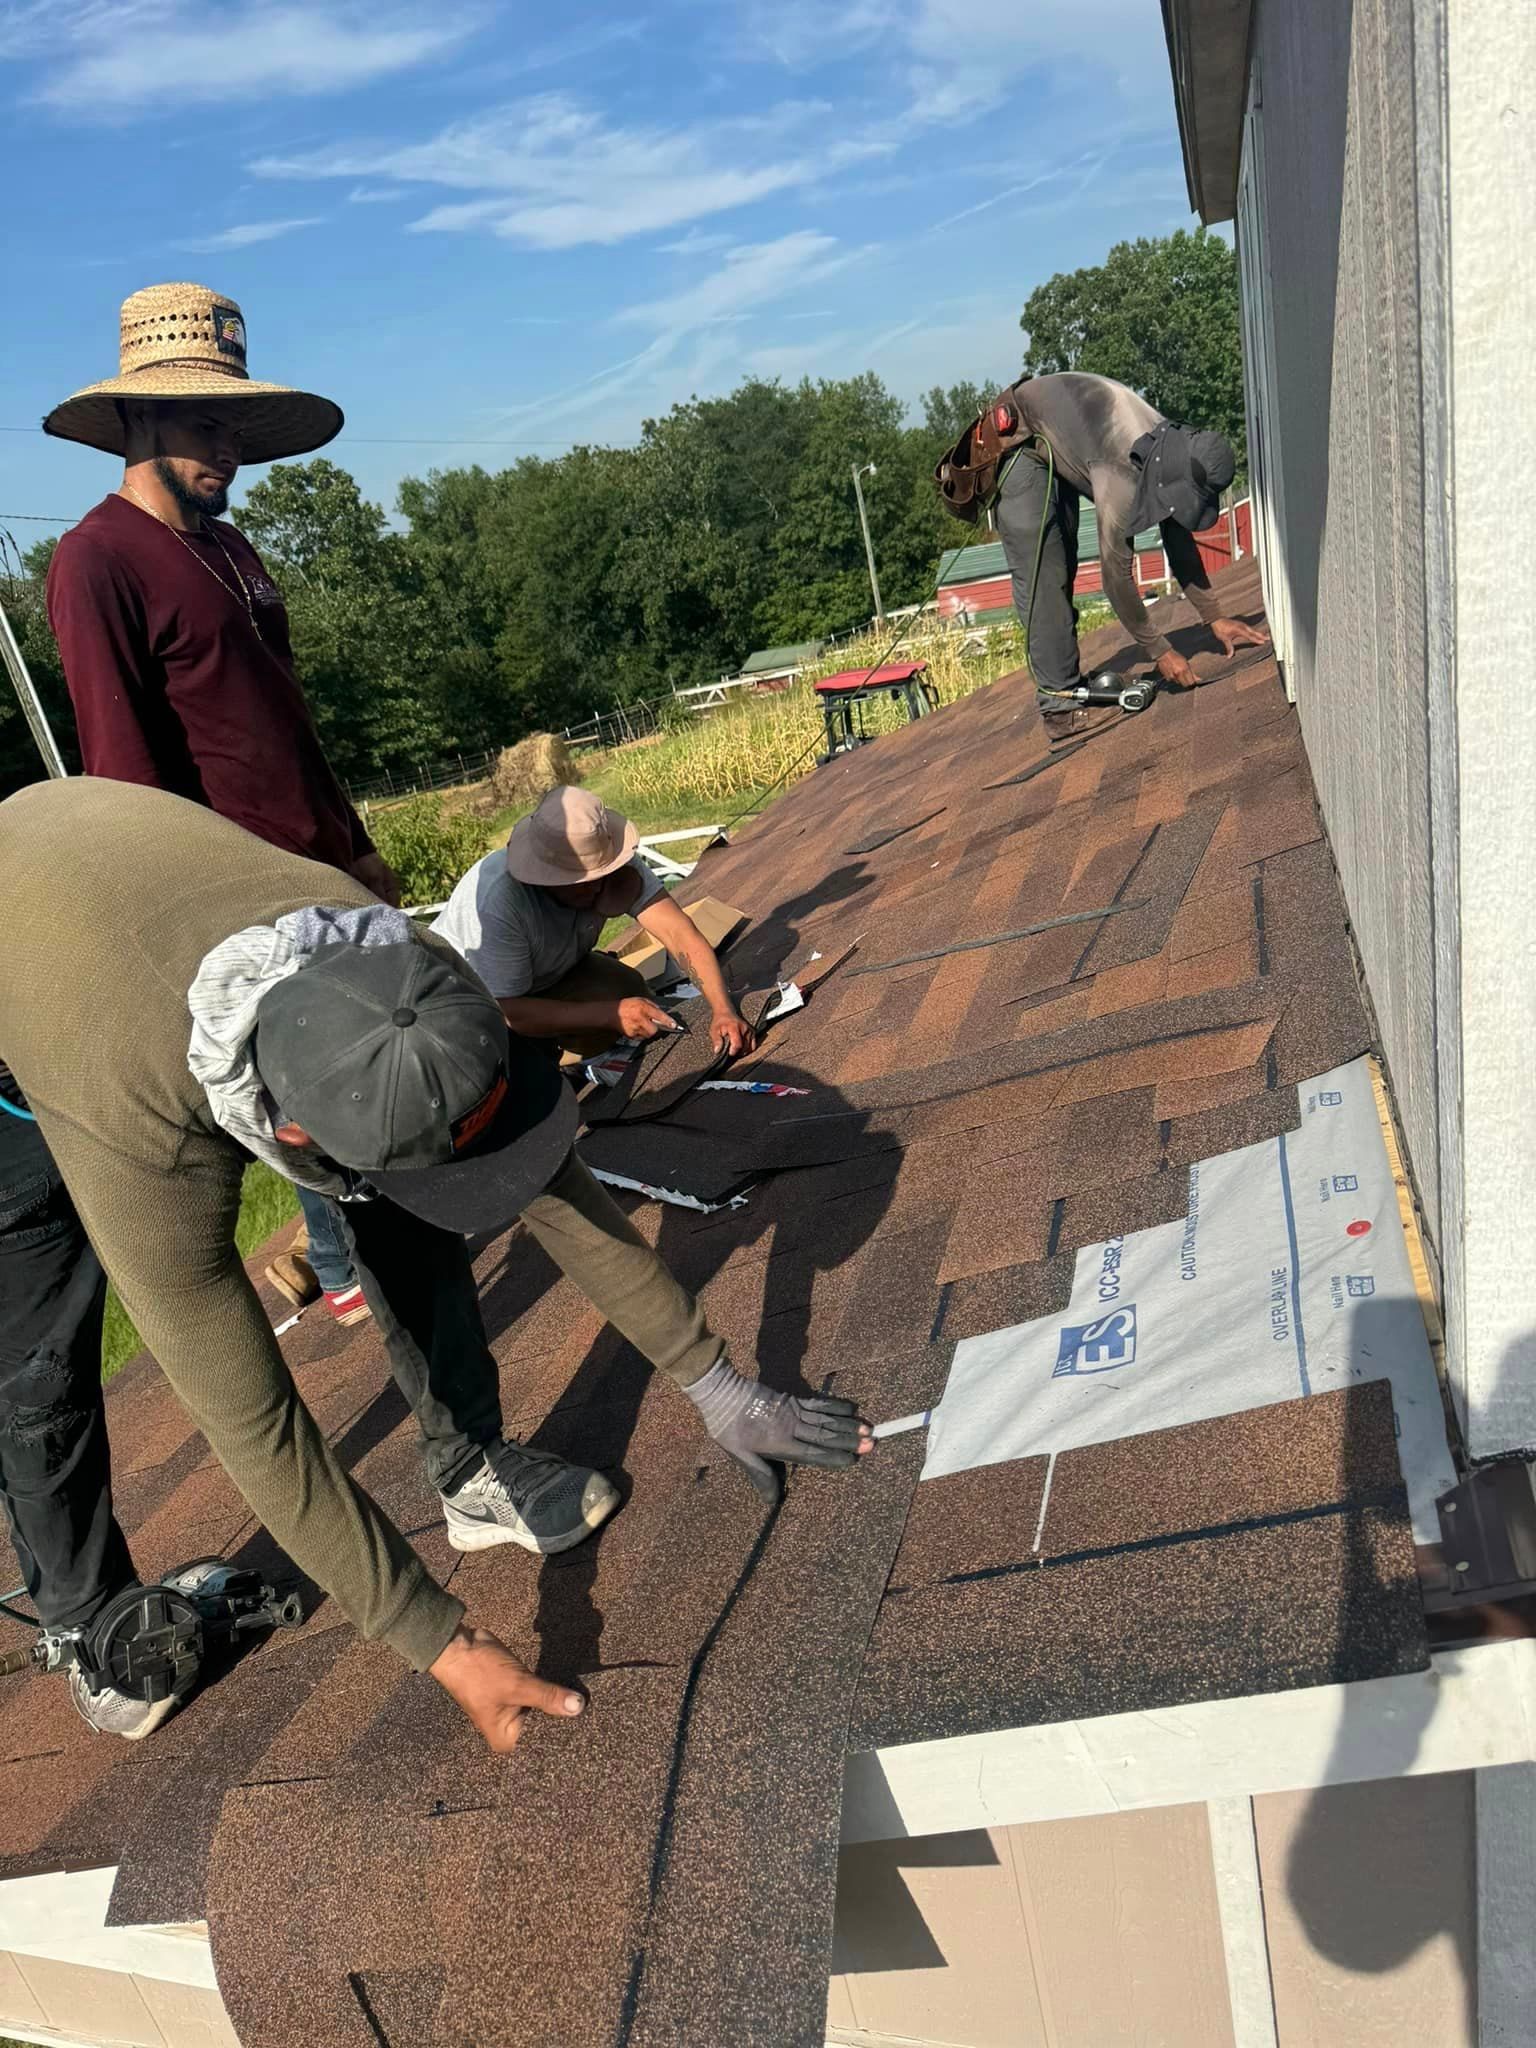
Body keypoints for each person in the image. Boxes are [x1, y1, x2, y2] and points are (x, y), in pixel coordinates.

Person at [0, 777, 870, 1746]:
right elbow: (260, 1425)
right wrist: (443, 1640)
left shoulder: (400, 960)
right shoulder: (148, 1154)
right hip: (35, 994)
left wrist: (718, 1383)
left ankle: (469, 1466)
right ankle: (89, 1625)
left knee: (411, 1162)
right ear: (287, 1136)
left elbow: (551, 1184)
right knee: (35, 1336)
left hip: (118, 859)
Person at [43, 280, 390, 1327]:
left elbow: (285, 720)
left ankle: (356, 1250)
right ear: (136, 419)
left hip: (318, 864)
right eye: (203, 422)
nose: (226, 448)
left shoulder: (228, 545)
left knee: (368, 1070)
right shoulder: (95, 560)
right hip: (233, 897)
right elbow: (120, 773)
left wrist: (357, 845)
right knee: (305, 1099)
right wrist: (181, 928)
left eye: (233, 422)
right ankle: (349, 1268)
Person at [938, 373, 1268, 721]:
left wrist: (1214, 616)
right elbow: (1116, 578)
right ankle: (1060, 705)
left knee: (1064, 556)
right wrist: (1161, 652)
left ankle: (1067, 680)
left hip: (1057, 433)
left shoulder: (1170, 447)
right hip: (1016, 442)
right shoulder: (1122, 467)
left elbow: (1177, 534)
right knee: (1046, 573)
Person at [433, 786, 756, 1061]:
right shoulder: (499, 901)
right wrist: (610, 1014)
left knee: (630, 993)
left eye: (599, 877)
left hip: (547, 972)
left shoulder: (612, 859)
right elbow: (509, 1011)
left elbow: (678, 932)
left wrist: (723, 1008)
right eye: (577, 882)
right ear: (542, 872)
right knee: (523, 1068)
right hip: (474, 1002)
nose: (594, 888)